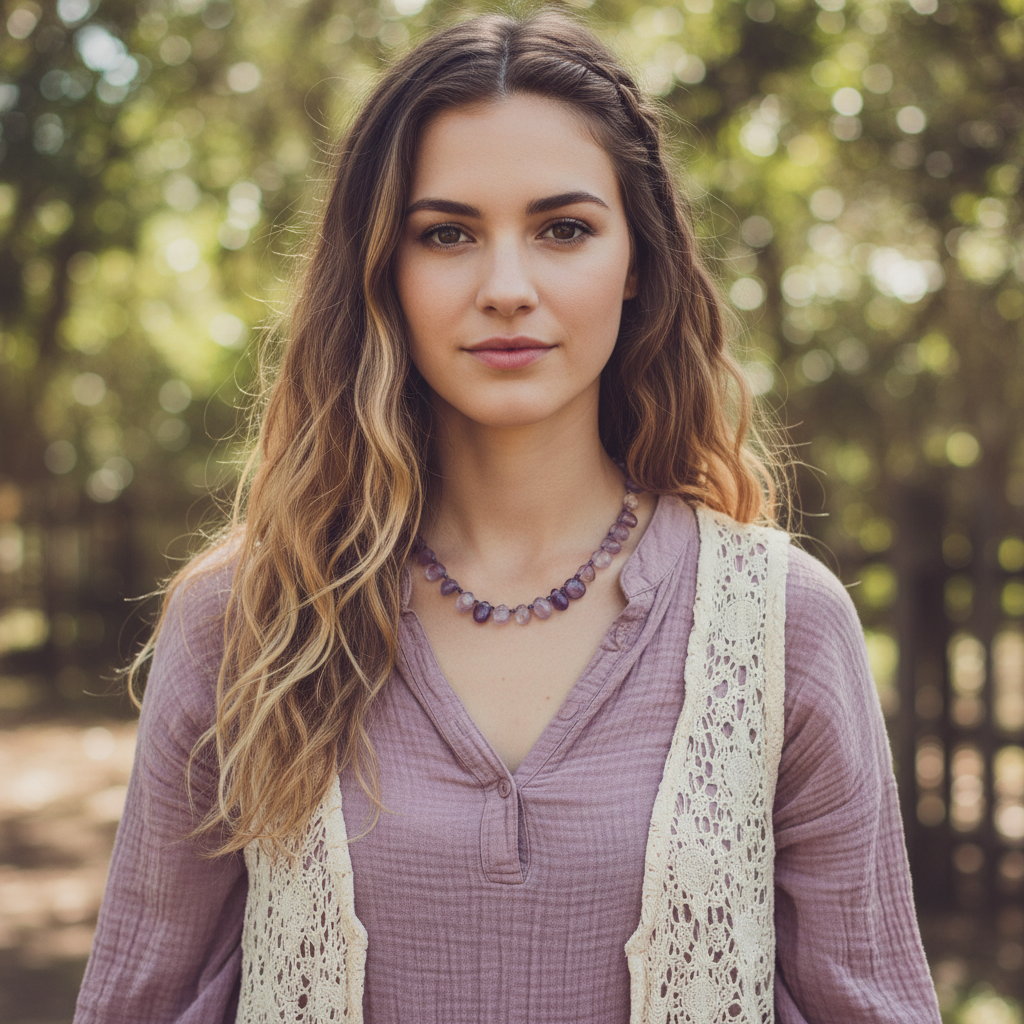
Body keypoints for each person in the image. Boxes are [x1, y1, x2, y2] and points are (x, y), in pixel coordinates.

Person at [73, 10, 941, 1024]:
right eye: (446, 234)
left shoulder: (780, 624)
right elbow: (138, 1001)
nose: (506, 288)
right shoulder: (244, 619)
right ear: (381, 273)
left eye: (562, 229)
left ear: (637, 261)